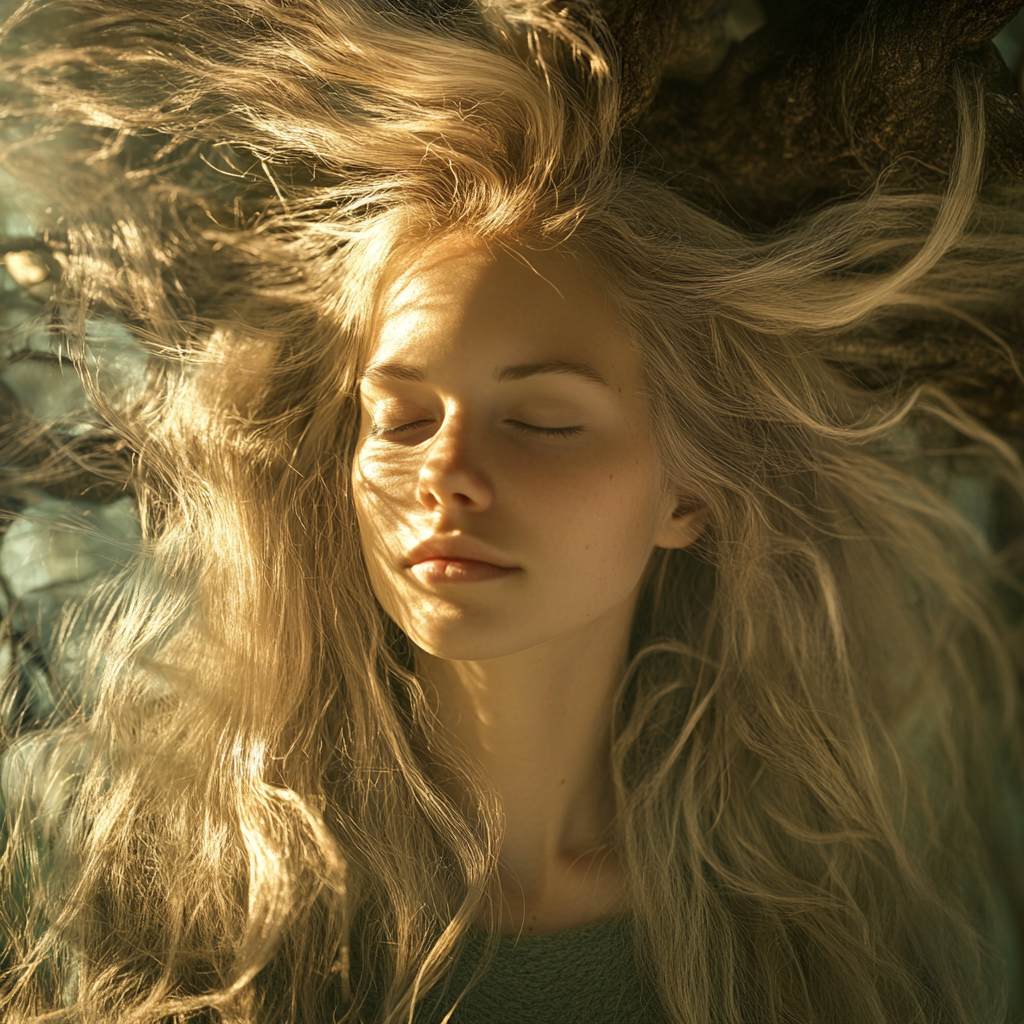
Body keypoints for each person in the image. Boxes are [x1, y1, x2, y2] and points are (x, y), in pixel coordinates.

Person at [0, 1, 1023, 1021]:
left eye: (541, 419)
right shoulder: (92, 868)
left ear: (691, 489)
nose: (444, 472)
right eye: (399, 419)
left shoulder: (828, 955)